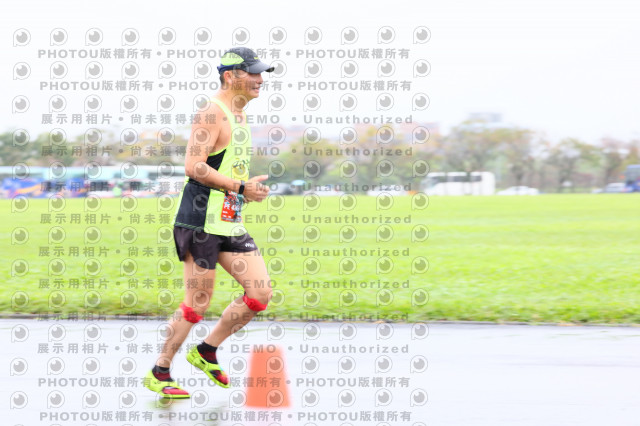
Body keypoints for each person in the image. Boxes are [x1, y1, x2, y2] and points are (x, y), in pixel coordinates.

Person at [143, 47, 274, 398]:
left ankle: (206, 350)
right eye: (253, 73)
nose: (260, 80)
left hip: (228, 220)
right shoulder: (211, 113)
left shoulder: (239, 115)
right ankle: (160, 371)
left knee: (260, 293)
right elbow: (194, 166)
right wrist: (239, 187)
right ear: (230, 76)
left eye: (261, 73)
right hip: (199, 220)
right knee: (197, 303)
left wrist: (244, 189)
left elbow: (223, 168)